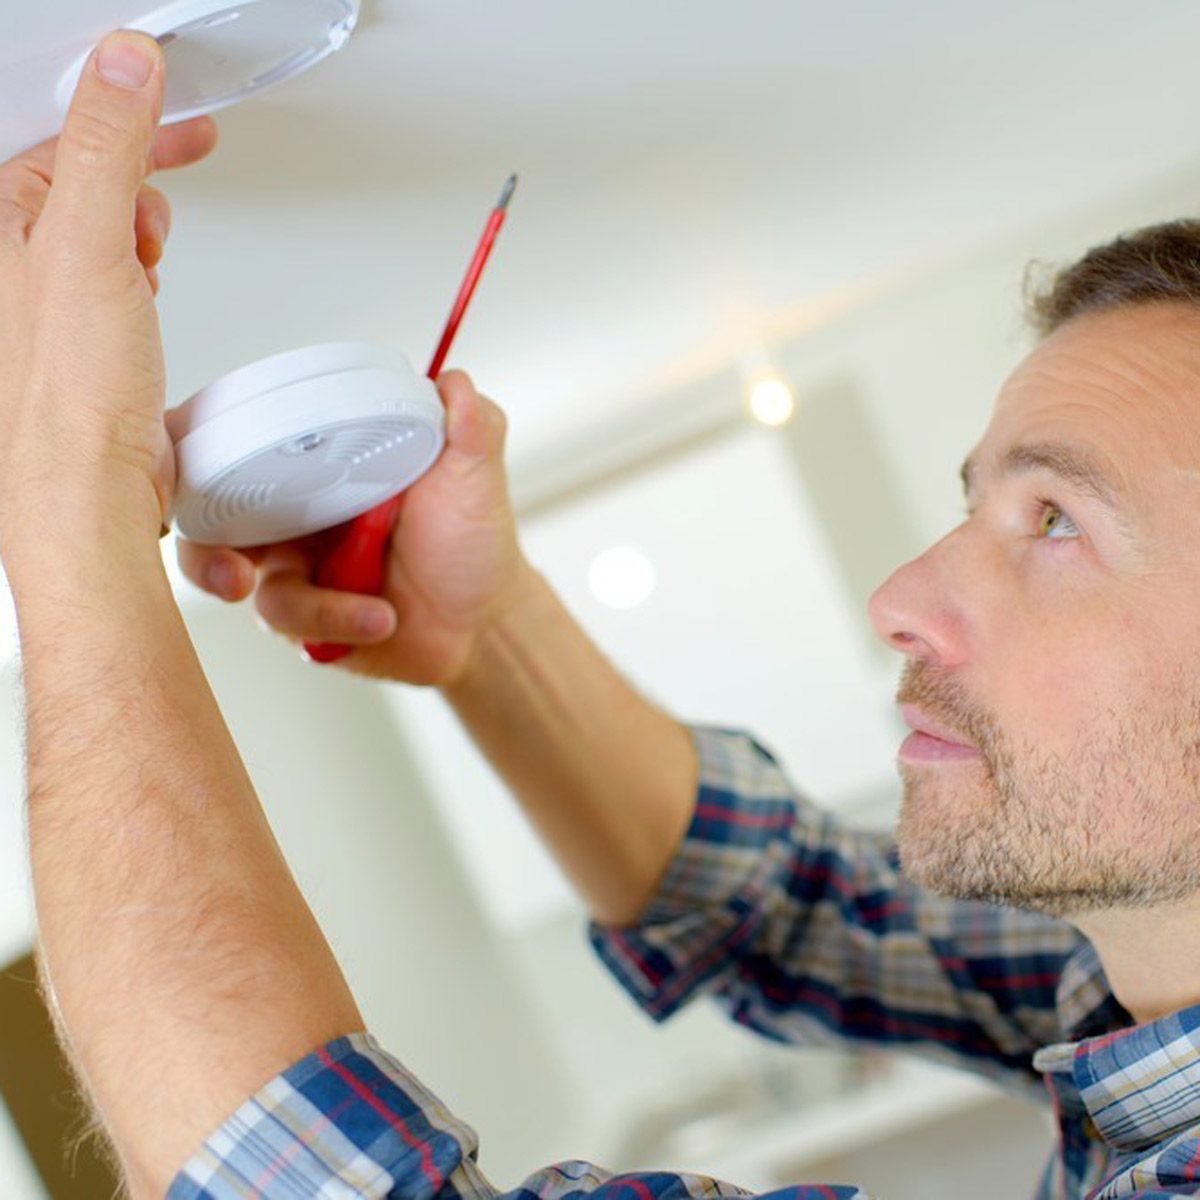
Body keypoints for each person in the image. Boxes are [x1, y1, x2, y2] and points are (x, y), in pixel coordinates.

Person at [4, 26, 1200, 1200]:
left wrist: (69, 502)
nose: (899, 598)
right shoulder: (1130, 970)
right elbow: (789, 907)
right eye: (978, 509)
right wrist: (487, 636)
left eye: (1056, 521)